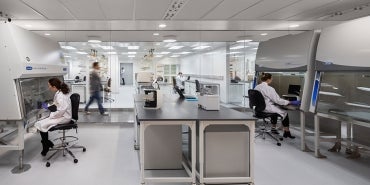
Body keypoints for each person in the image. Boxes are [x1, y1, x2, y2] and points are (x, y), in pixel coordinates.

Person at [254, 73, 300, 139]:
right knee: (284, 112)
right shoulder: (269, 88)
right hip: (266, 108)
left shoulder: (257, 87)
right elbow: (277, 100)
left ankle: (273, 128)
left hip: (258, 109)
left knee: (276, 110)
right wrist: (290, 102)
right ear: (268, 79)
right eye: (271, 78)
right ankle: (287, 132)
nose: (272, 79)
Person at [35, 78, 71, 156]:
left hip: (64, 117)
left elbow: (61, 110)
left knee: (42, 124)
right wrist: (48, 106)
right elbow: (57, 105)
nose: (49, 87)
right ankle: (46, 143)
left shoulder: (60, 95)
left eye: (49, 86)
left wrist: (52, 115)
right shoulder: (59, 92)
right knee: (40, 122)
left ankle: (46, 145)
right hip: (60, 115)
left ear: (54, 86)